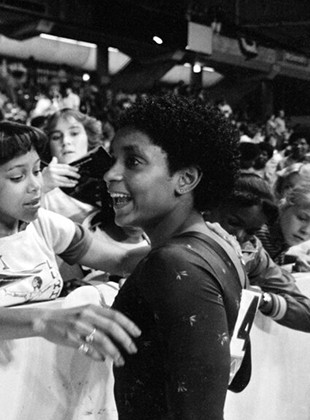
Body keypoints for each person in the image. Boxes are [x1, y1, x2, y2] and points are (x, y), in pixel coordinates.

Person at [0, 121, 143, 371]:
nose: (36, 185)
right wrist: (43, 321)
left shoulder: (42, 223)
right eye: (18, 177)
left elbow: (121, 261)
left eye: (36, 171)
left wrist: (178, 235)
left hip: (37, 371)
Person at [103, 95, 242, 419]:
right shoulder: (218, 245)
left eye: (133, 161)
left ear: (185, 179)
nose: (111, 174)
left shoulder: (172, 264)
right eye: (113, 160)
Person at [206, 175, 310, 332]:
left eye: (252, 231)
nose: (240, 236)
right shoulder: (185, 232)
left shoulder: (252, 249)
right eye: (303, 218)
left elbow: (305, 313)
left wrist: (261, 298)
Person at [41, 108, 105, 223]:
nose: (65, 141)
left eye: (74, 133)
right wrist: (40, 188)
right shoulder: (42, 188)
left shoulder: (113, 174)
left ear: (89, 138)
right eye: (56, 137)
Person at [255, 182, 310, 267]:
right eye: (302, 218)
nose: (306, 230)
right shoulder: (258, 235)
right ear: (287, 203)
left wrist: (295, 259)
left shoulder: (279, 238)